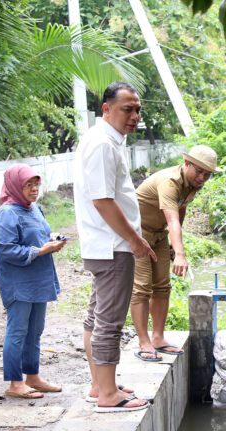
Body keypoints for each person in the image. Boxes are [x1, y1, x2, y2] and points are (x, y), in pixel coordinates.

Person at [73, 81, 155, 413]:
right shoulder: (103, 145)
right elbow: (104, 201)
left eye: (137, 109)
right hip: (113, 246)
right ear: (106, 109)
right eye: (127, 109)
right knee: (109, 320)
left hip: (104, 244)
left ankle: (100, 384)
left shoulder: (104, 140)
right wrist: (135, 241)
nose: (134, 115)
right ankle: (108, 395)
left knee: (96, 317)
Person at [130, 145, 219, 361]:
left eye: (207, 174)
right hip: (137, 234)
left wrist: (172, 243)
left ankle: (158, 338)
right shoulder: (169, 182)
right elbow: (172, 219)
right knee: (142, 287)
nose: (202, 178)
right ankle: (144, 342)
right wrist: (180, 254)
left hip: (159, 235)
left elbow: (181, 210)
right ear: (186, 164)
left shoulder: (192, 185)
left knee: (162, 286)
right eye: (199, 171)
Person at [0, 164, 66, 399]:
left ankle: (32, 377)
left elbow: (40, 234)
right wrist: (40, 251)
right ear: (15, 186)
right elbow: (5, 250)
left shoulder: (34, 208)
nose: (34, 189)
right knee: (18, 331)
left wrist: (52, 238)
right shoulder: (7, 213)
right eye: (28, 185)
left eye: (37, 184)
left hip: (38, 281)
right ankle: (15, 383)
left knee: (35, 331)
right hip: (19, 283)